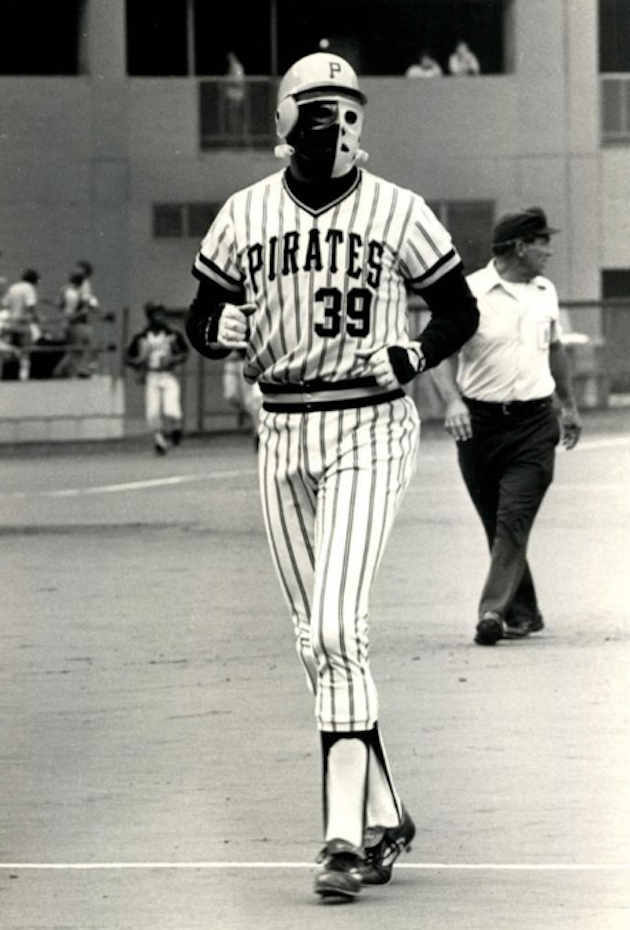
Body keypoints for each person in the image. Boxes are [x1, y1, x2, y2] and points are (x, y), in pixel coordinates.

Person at [185, 52, 479, 901]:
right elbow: (203, 312)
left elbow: (457, 305)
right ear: (282, 120)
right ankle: (389, 813)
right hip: (281, 427)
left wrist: (418, 352)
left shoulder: (399, 209)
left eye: (349, 109)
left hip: (368, 424)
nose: (337, 123)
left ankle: (343, 839)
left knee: (340, 628)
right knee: (315, 640)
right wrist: (217, 330)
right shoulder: (244, 213)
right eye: (319, 108)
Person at [431, 206, 582, 647]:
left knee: (513, 519)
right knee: (497, 524)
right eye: (542, 243)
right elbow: (438, 356)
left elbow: (555, 350)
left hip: (534, 425)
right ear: (520, 247)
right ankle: (526, 612)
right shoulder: (469, 293)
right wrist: (453, 402)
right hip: (479, 426)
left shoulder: (544, 291)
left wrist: (568, 406)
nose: (548, 252)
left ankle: (492, 612)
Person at [124, 302, 188, 454]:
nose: (160, 318)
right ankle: (159, 441)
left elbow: (184, 352)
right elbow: (128, 357)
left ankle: (176, 429)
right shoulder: (142, 337)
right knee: (153, 412)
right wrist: (138, 363)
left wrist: (174, 360)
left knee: (171, 409)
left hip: (168, 374)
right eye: (156, 315)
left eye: (162, 315)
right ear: (150, 317)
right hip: (152, 375)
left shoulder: (171, 335)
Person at [4, 268, 42, 380]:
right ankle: (23, 377)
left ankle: (8, 375)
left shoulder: (13, 287)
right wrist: (37, 317)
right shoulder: (29, 288)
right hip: (24, 325)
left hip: (11, 323)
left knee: (11, 351)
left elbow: (6, 304)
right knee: (25, 353)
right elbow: (31, 305)